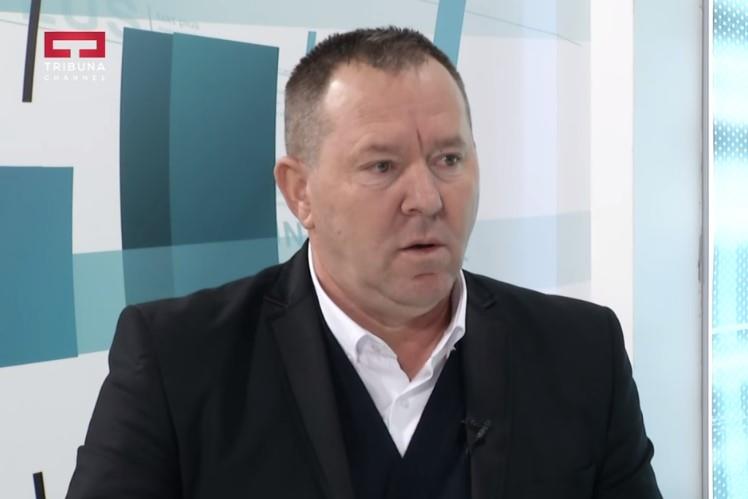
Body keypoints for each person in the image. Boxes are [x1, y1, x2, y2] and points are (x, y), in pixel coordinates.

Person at [67, 27, 662, 499]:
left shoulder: (582, 353)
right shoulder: (178, 362)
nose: (427, 198)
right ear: (300, 192)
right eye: (382, 166)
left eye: (449, 159)